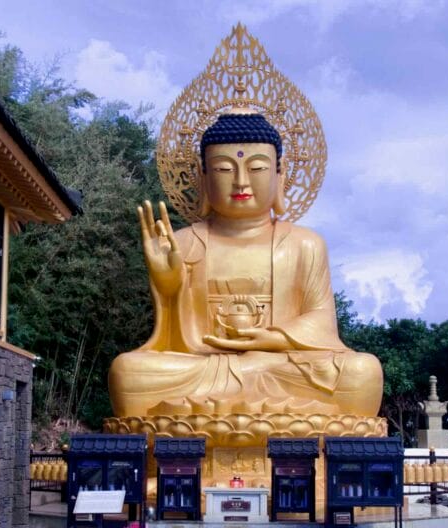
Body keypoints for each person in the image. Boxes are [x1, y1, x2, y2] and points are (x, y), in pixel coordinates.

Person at [108, 111, 382, 418]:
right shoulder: (183, 243)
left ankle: (221, 407)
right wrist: (168, 284)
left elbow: (322, 318)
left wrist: (274, 340)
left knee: (362, 371)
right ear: (203, 176)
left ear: (280, 175)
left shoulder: (304, 243)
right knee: (128, 372)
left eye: (257, 168)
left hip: (277, 365)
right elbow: (171, 341)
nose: (241, 181)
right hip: (204, 367)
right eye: (224, 169)